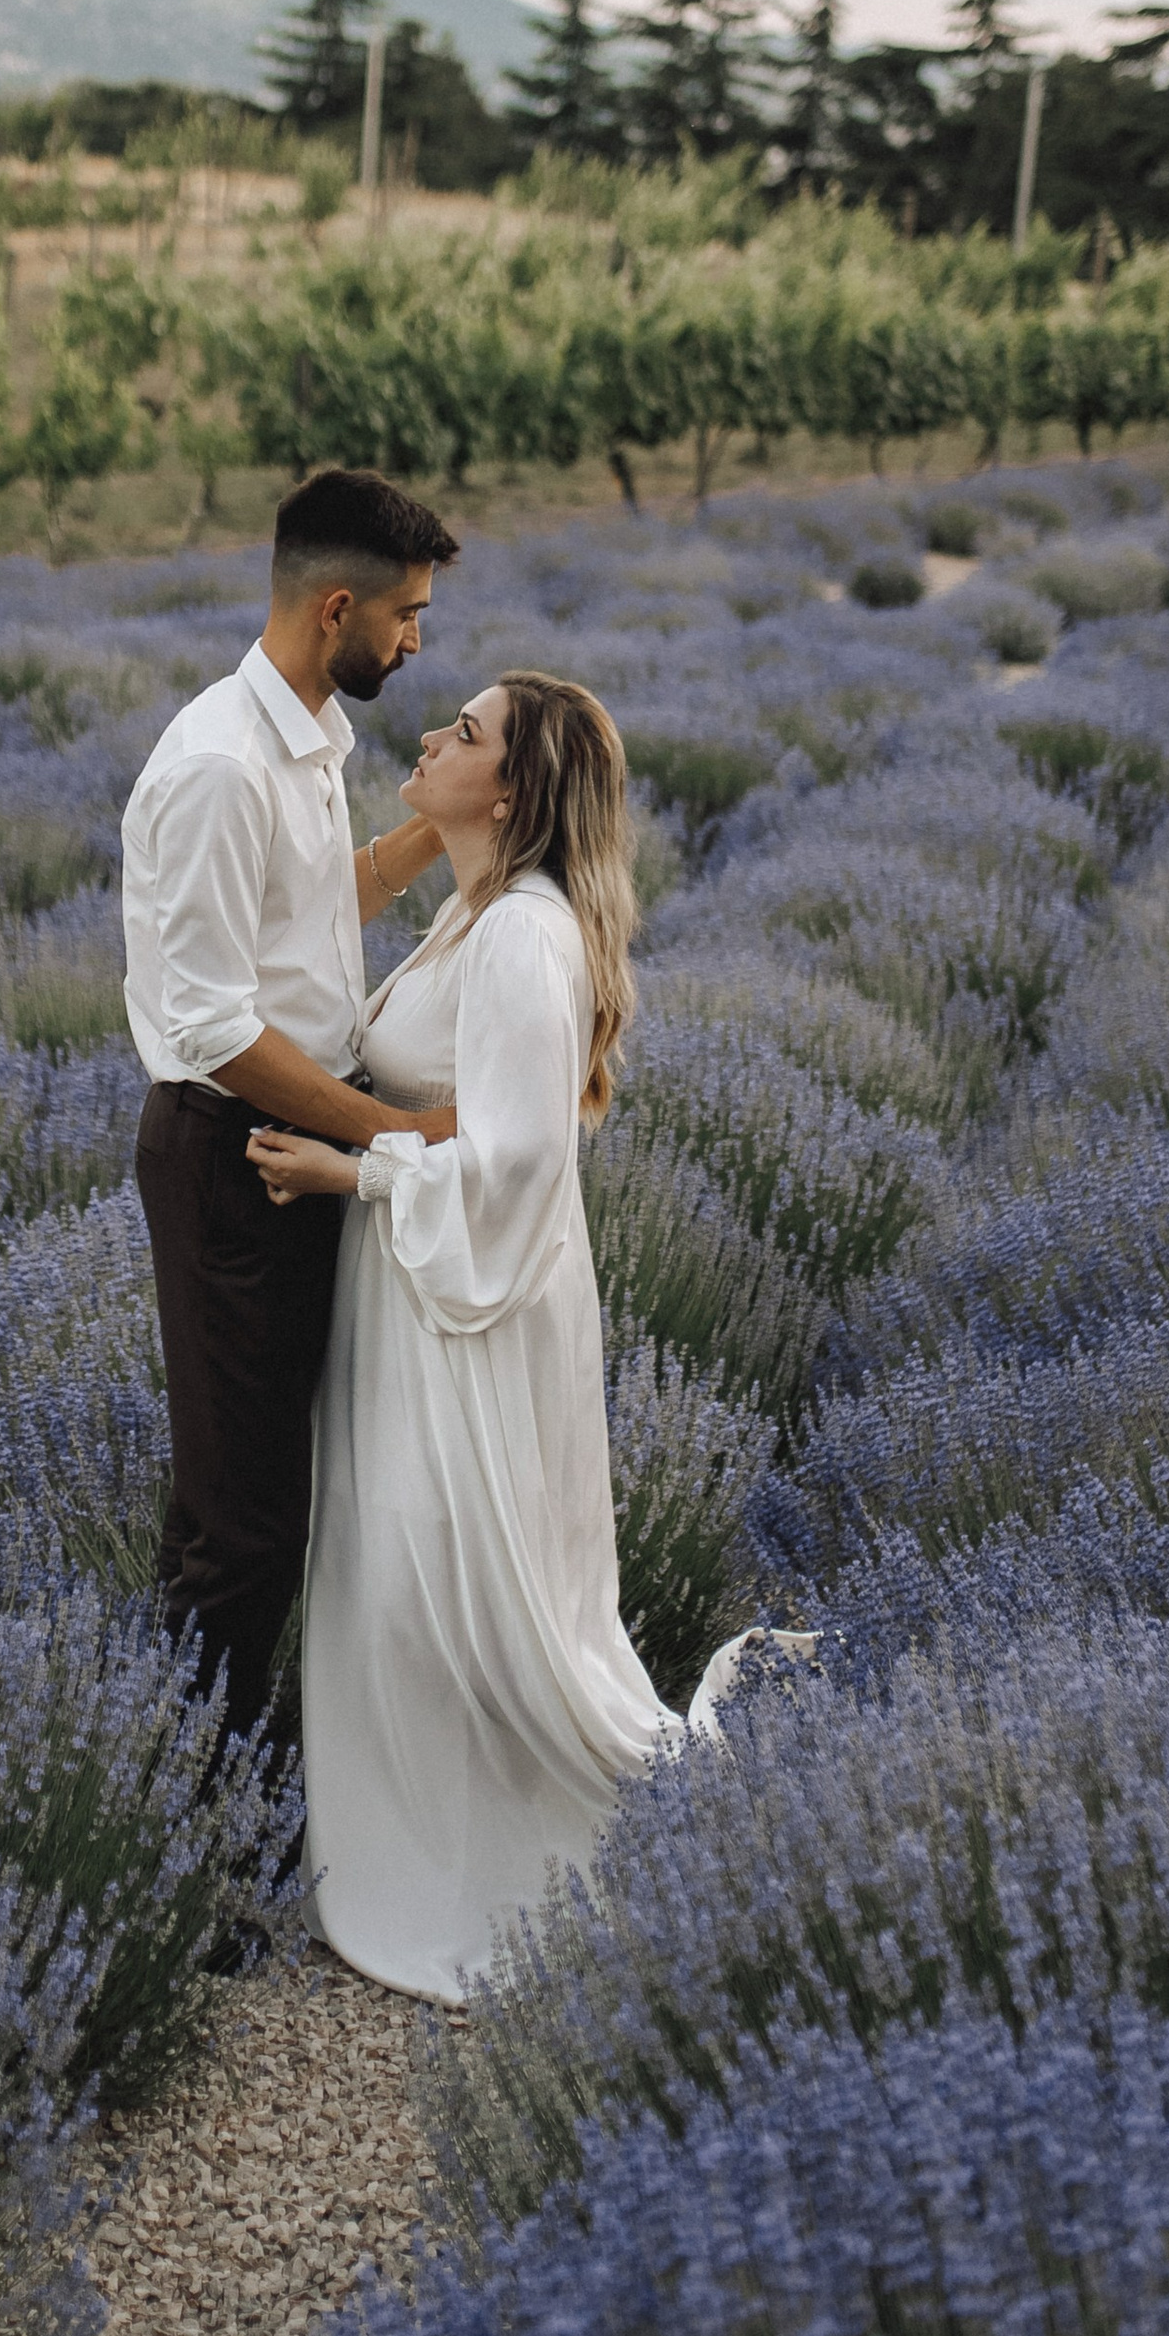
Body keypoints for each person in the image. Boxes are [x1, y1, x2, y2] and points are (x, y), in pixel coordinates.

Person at [247, 672, 809, 2004]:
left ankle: (522, 1864)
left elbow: (515, 1159)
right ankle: (428, 1855)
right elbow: (470, 1113)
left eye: (469, 732)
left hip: (471, 1300)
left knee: (453, 1583)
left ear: (511, 787)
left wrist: (350, 1174)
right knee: (415, 1576)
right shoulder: (476, 913)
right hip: (440, 1291)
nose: (436, 735)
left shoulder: (518, 935)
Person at [121, 467, 463, 1734]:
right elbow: (212, 1027)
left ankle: (246, 1786)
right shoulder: (220, 765)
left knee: (281, 1494)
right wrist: (392, 1135)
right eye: (405, 615)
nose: (415, 639)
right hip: (236, 1151)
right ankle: (193, 1833)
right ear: (335, 609)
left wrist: (445, 826)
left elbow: (316, 916)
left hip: (299, 1142)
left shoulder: (311, 738)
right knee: (236, 1523)